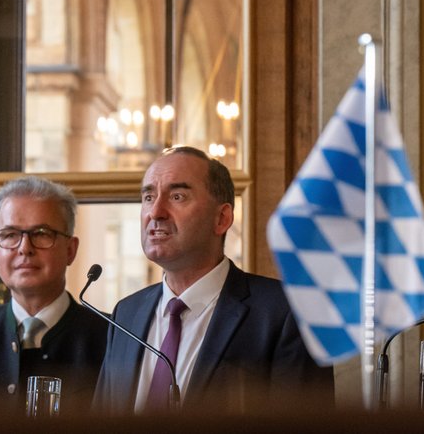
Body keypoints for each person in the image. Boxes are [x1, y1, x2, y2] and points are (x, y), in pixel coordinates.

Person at [94, 146, 333, 414]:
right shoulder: (126, 314)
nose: (156, 212)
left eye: (177, 196)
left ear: (222, 218)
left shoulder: (286, 313)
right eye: (148, 197)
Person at [0, 176, 108, 414]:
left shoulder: (113, 339)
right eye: (10, 235)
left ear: (70, 250)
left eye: (41, 233)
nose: (24, 248)